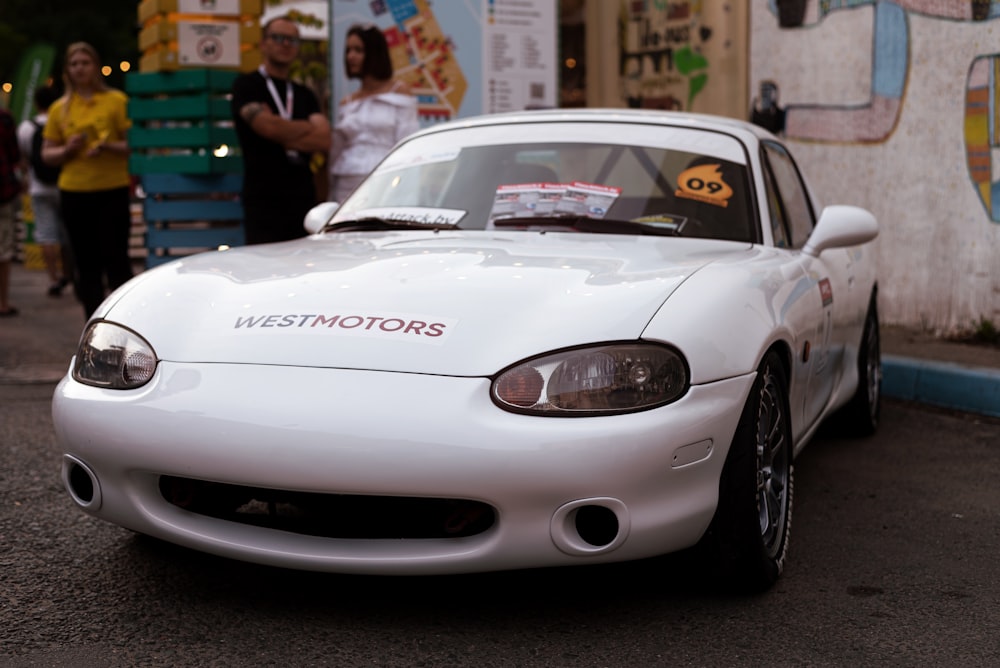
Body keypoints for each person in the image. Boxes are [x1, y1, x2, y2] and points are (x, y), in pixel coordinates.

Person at [41, 42, 133, 319]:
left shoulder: (117, 101)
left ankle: (125, 322)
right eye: (74, 64)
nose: (79, 68)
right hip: (75, 192)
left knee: (117, 261)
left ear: (96, 66)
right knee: (85, 263)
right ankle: (93, 325)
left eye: (85, 62)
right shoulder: (60, 108)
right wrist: (66, 150)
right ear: (67, 71)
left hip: (112, 189)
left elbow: (133, 145)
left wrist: (107, 147)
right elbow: (47, 154)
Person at [231, 15, 331, 244]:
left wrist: (281, 131)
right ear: (263, 43)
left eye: (292, 40)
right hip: (263, 198)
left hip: (302, 199)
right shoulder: (247, 85)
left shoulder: (304, 94)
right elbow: (267, 128)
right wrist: (306, 127)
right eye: (278, 38)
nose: (285, 44)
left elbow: (324, 140)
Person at [328, 23, 419, 203]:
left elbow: (409, 144)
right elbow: (336, 150)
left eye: (358, 50)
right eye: (348, 50)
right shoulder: (347, 102)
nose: (351, 56)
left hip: (387, 182)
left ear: (374, 53)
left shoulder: (399, 92)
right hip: (346, 184)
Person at [18, 84, 71, 297]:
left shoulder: (26, 127)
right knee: (68, 233)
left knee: (46, 233)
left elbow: (22, 158)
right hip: (65, 184)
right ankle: (70, 274)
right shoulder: (61, 120)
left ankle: (53, 278)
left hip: (38, 186)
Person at [0, 106, 22, 317]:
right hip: (2, 192)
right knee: (3, 249)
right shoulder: (4, 117)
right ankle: (2, 301)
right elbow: (14, 154)